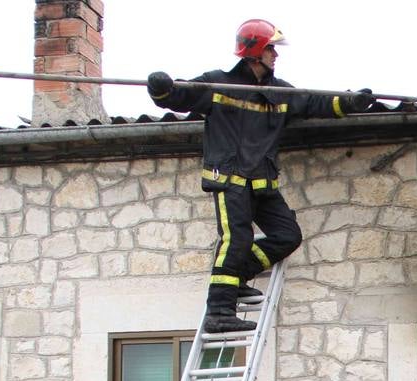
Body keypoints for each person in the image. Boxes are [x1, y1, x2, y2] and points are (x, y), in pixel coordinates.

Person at [147, 18, 373, 334]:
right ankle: (219, 311)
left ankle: (238, 276)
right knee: (236, 238)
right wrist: (162, 88)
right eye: (271, 49)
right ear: (254, 52)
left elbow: (314, 101)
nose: (276, 55)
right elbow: (181, 95)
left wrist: (349, 102)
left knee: (287, 235)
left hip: (262, 182)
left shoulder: (280, 93)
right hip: (230, 180)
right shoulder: (220, 85)